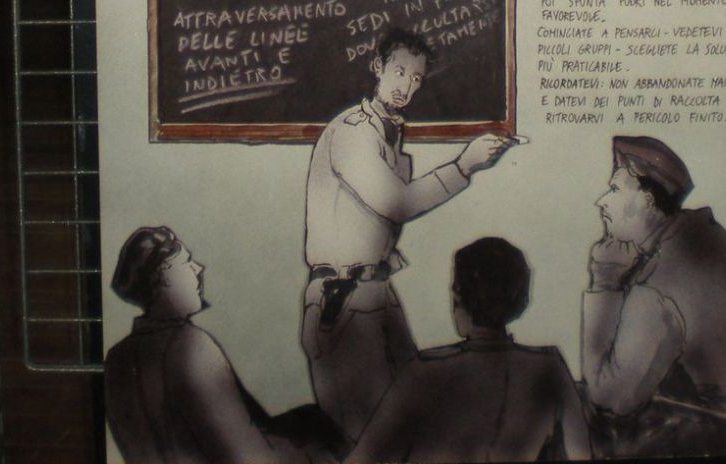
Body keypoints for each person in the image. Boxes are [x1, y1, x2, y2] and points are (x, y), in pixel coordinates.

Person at [301, 28, 515, 441]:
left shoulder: (389, 133)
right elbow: (396, 203)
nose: (407, 86)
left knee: (408, 425)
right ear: (377, 67)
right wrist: (463, 166)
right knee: (367, 438)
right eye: (399, 72)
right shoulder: (353, 131)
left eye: (416, 78)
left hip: (373, 293)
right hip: (343, 300)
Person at [580, 137, 726, 454]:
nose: (601, 202)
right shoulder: (701, 233)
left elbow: (609, 397)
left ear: (647, 201)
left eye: (615, 190)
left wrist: (604, 280)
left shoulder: (657, 284)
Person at [347, 236, 592, 463]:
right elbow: (583, 453)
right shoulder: (550, 369)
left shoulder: (422, 374)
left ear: (457, 296)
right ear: (520, 297)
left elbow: (362, 459)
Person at [105, 224, 331, 464]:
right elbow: (250, 457)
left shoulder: (116, 358)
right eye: (186, 262)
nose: (198, 268)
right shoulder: (189, 345)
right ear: (163, 278)